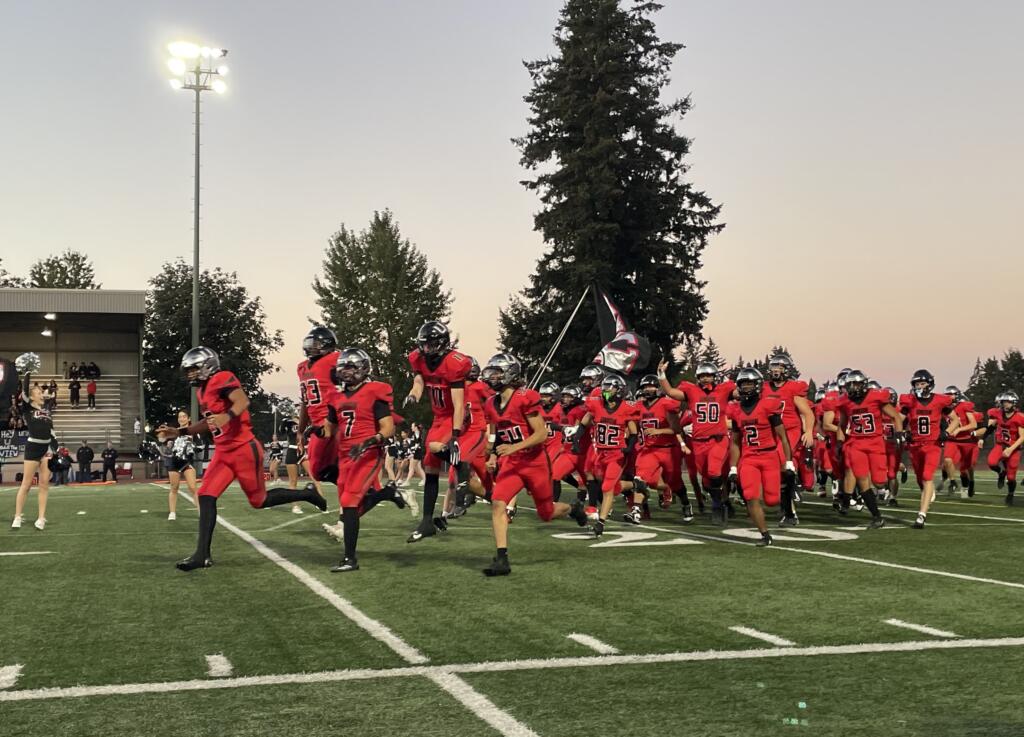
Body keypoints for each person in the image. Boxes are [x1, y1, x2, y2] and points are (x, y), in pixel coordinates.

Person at [158, 347, 327, 571]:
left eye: (193, 369)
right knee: (206, 495)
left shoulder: (222, 378)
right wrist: (180, 431)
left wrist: (226, 417)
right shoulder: (202, 391)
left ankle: (307, 493)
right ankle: (202, 555)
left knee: (258, 501)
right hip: (223, 452)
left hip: (243, 449)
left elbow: (241, 402)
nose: (189, 374)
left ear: (207, 366)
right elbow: (209, 422)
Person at [478, 354, 587, 576]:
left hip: (535, 462)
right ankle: (501, 558)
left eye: (497, 372)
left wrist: (514, 448)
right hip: (513, 463)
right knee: (498, 503)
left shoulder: (525, 397)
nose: (492, 376)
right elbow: (498, 433)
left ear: (510, 373)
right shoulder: (491, 403)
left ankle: (573, 508)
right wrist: (491, 454)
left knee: (546, 513)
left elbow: (540, 435)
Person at [321, 348, 409, 572]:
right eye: (343, 367)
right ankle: (387, 493)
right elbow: (329, 430)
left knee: (350, 502)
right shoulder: (337, 396)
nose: (345, 371)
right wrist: (310, 429)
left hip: (368, 454)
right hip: (346, 455)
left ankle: (350, 559)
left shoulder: (374, 392)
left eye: (350, 367)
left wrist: (370, 442)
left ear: (362, 368)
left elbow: (388, 428)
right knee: (347, 505)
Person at [403, 321, 471, 542]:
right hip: (438, 417)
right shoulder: (419, 359)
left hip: (454, 417)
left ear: (442, 344)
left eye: (431, 345)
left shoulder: (454, 363)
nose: (426, 350)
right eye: (424, 345)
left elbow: (459, 404)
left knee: (433, 447)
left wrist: (456, 435)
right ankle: (426, 522)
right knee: (430, 466)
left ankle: (460, 464)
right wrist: (414, 394)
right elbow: (419, 380)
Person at [657, 360, 737, 524]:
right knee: (707, 481)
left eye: (709, 375)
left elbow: (740, 393)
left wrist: (747, 385)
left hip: (718, 440)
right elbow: (671, 392)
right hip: (698, 442)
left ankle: (717, 505)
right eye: (702, 376)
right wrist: (661, 375)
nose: (706, 378)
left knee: (715, 472)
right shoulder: (691, 390)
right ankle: (722, 500)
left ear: (715, 376)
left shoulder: (724, 389)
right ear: (698, 377)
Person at [823, 370, 902, 529]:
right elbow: (842, 425)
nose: (854, 387)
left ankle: (881, 492)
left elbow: (895, 416)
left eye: (857, 383)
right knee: (861, 479)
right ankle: (877, 517)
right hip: (856, 443)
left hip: (875, 442)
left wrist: (899, 434)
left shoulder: (875, 397)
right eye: (851, 384)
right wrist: (839, 442)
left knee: (879, 482)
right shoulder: (845, 401)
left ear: (864, 384)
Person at [726, 368, 795, 547]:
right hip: (749, 458)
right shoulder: (735, 410)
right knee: (750, 495)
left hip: (770, 456)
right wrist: (733, 467)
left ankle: (787, 498)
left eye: (750, 383)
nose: (747, 387)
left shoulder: (768, 406)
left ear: (757, 385)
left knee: (772, 500)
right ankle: (765, 534)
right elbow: (735, 442)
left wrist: (788, 462)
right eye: (743, 384)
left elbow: (783, 437)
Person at [571, 373, 646, 536]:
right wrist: (576, 439)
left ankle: (600, 523)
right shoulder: (596, 405)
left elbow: (633, 432)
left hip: (616, 454)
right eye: (604, 387)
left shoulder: (626, 408)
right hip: (600, 452)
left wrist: (628, 447)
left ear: (619, 390)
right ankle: (635, 485)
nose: (606, 390)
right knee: (609, 486)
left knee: (607, 488)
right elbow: (584, 424)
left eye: (609, 387)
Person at [899, 370, 960, 528]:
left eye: (922, 383)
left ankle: (921, 515)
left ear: (930, 384)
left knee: (927, 477)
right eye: (917, 384)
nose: (919, 386)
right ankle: (927, 493)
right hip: (915, 445)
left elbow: (955, 420)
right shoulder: (909, 401)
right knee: (921, 479)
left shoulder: (940, 401)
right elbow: (898, 420)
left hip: (932, 444)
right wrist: (903, 432)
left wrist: (946, 432)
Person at [296, 326, 341, 509]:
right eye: (310, 343)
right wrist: (300, 430)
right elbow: (306, 402)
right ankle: (365, 489)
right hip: (316, 424)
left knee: (319, 468)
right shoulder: (302, 368)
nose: (311, 347)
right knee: (317, 469)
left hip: (333, 421)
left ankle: (360, 489)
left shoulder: (334, 359)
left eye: (316, 344)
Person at [10, 355, 55, 531]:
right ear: (32, 396)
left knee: (44, 484)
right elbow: (26, 390)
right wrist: (27, 372)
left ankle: (41, 518)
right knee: (27, 484)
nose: (40, 392)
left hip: (45, 448)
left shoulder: (46, 411)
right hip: (33, 446)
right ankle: (17, 516)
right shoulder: (28, 408)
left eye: (40, 391)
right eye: (37, 391)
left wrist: (54, 447)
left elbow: (51, 432)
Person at [978, 391, 1024, 505]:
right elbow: (990, 427)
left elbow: (1022, 437)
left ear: (1014, 403)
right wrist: (982, 438)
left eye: (1008, 402)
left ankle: (1010, 494)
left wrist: (1010, 449)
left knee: (1011, 476)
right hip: (1000, 445)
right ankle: (1001, 472)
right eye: (1004, 402)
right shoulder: (997, 413)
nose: (1005, 405)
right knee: (991, 462)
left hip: (1013, 448)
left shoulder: (1019, 417)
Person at [158, 409, 200, 520]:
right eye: (179, 417)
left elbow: (199, 446)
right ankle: (172, 513)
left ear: (189, 418)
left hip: (186, 463)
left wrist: (192, 443)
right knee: (174, 488)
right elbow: (162, 441)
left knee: (192, 487)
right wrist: (167, 442)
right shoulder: (173, 432)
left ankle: (201, 511)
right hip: (174, 462)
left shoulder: (193, 431)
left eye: (184, 416)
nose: (181, 419)